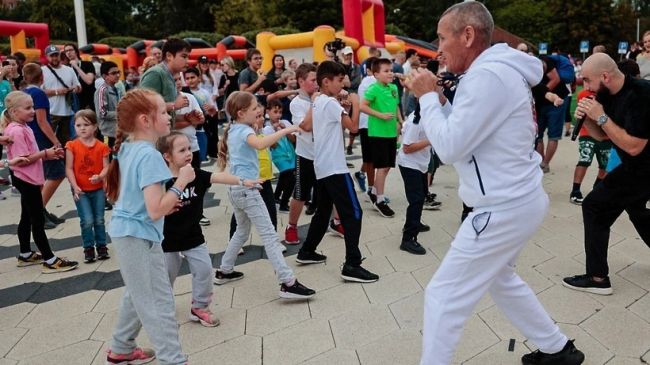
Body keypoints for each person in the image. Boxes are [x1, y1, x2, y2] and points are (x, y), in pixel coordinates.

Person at [405, 2, 584, 364]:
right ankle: (558, 349)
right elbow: (471, 131)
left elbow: (451, 146)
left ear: (467, 35)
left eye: (442, 37)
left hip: (501, 207)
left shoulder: (488, 76)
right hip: (517, 199)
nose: (437, 48)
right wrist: (441, 100)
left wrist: (426, 96)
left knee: (442, 295)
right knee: (501, 280)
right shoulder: (494, 72)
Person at [104, 89, 191, 365]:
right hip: (138, 236)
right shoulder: (150, 155)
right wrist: (180, 183)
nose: (169, 115)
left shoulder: (129, 147)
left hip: (129, 232)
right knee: (157, 302)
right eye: (163, 112)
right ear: (145, 120)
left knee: (138, 291)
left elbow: (143, 200)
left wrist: (167, 200)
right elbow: (155, 210)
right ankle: (173, 359)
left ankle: (121, 348)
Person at [563, 53, 650, 296]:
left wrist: (600, 115)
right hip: (635, 165)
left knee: (594, 206)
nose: (586, 87)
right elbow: (602, 135)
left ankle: (598, 277)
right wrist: (587, 117)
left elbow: (633, 145)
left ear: (605, 76)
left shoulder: (642, 94)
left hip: (643, 165)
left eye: (588, 81)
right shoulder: (605, 95)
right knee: (637, 210)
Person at [215, 91, 315, 299]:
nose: (259, 111)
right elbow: (260, 144)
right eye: (254, 109)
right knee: (269, 235)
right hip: (247, 190)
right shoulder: (243, 131)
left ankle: (224, 270)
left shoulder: (235, 128)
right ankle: (288, 282)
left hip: (236, 189)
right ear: (241, 113)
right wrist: (288, 129)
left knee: (241, 232)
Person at [158, 131, 260, 327]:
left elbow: (219, 177)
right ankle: (162, 306)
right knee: (164, 278)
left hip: (193, 236)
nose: (188, 153)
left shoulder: (196, 174)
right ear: (167, 156)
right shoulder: (160, 181)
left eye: (189, 148)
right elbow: (151, 207)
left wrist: (243, 181)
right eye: (182, 150)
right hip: (166, 240)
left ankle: (200, 307)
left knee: (204, 270)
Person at [295, 61, 379, 283]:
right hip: (334, 168)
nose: (343, 85)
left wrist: (343, 103)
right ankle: (352, 263)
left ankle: (307, 250)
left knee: (323, 211)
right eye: (339, 80)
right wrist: (355, 102)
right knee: (354, 213)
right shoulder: (330, 104)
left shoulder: (318, 101)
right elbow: (353, 127)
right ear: (326, 81)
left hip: (322, 166)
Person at [1, 91, 78, 273]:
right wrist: (46, 154)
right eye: (28, 108)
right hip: (26, 179)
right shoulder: (17, 131)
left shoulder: (21, 127)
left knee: (26, 217)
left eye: (33, 107)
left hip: (25, 178)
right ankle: (50, 259)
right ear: (13, 112)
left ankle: (25, 254)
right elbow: (24, 159)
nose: (33, 111)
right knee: (37, 219)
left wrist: (47, 153)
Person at [22, 63, 66, 229]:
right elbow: (42, 120)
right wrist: (55, 140)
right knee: (57, 173)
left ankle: (41, 210)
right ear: (42, 77)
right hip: (41, 138)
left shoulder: (24, 92)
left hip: (31, 138)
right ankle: (38, 211)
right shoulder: (39, 93)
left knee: (41, 177)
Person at [65, 110, 110, 263]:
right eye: (78, 125)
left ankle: (102, 246)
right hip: (80, 189)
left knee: (99, 219)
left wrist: (101, 176)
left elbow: (106, 167)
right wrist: (74, 185)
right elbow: (69, 168)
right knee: (87, 220)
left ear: (95, 126)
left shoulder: (102, 147)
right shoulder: (71, 145)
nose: (82, 128)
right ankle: (88, 247)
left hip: (97, 189)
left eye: (86, 124)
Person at [360, 58, 402, 218]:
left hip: (391, 132)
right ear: (376, 74)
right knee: (382, 167)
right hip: (377, 133)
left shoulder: (393, 88)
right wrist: (380, 115)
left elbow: (396, 106)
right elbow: (362, 106)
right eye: (386, 71)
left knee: (387, 167)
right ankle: (380, 199)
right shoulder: (373, 89)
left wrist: (400, 120)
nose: (390, 73)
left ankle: (377, 194)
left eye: (391, 70)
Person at [284, 63, 319, 244]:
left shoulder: (323, 97)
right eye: (313, 80)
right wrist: (315, 102)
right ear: (301, 81)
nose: (316, 84)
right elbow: (305, 126)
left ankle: (337, 222)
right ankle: (291, 226)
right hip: (305, 155)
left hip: (324, 154)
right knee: (300, 194)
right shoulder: (296, 103)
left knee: (334, 190)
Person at [397, 107, 431, 255]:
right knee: (416, 199)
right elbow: (407, 148)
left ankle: (413, 223)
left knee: (422, 195)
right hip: (409, 164)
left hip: (420, 163)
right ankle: (408, 239)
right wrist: (431, 140)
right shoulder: (415, 121)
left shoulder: (426, 116)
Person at [139, 38, 196, 128]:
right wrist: (174, 105)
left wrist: (186, 117)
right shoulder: (155, 73)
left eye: (188, 57)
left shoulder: (169, 75)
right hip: (152, 137)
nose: (187, 61)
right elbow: (143, 106)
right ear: (169, 56)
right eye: (184, 56)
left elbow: (165, 115)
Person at [569, 88, 611, 205]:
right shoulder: (584, 94)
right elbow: (584, 115)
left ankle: (597, 189)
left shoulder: (611, 92)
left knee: (605, 164)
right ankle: (575, 190)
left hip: (607, 135)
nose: (588, 84)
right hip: (586, 132)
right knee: (585, 159)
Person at [41, 44, 81, 144]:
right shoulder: (42, 71)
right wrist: (57, 91)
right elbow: (40, 92)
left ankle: (64, 159)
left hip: (68, 112)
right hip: (51, 112)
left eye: (56, 55)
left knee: (67, 143)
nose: (54, 58)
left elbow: (78, 87)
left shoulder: (69, 70)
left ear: (60, 55)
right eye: (52, 56)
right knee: (48, 142)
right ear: (47, 57)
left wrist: (75, 89)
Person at [265, 99, 296, 212]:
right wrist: (276, 131)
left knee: (285, 176)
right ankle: (284, 203)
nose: (278, 115)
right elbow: (272, 145)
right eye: (275, 112)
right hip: (279, 156)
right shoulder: (267, 128)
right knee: (291, 178)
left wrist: (285, 130)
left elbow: (293, 139)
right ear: (268, 111)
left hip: (291, 153)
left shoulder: (286, 123)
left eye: (280, 112)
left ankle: (276, 196)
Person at [94, 61, 123, 152]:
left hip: (118, 132)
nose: (117, 75)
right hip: (107, 133)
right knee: (107, 159)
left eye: (118, 72)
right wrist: (121, 114)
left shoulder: (118, 89)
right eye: (114, 73)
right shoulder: (102, 90)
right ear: (104, 76)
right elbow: (103, 113)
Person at [63, 43, 96, 111]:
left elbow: (89, 81)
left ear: (76, 51)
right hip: (75, 102)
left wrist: (76, 66)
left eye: (70, 50)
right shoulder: (66, 68)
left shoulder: (87, 64)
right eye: (66, 51)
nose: (68, 52)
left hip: (89, 100)